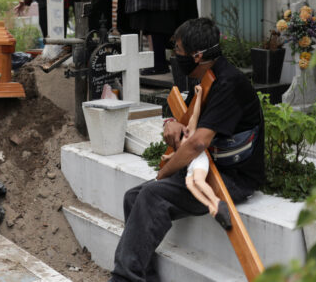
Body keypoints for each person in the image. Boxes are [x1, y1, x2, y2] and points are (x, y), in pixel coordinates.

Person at [109, 18, 265, 282]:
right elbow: (190, 122)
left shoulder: (229, 84)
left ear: (198, 55)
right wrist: (172, 124)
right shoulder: (208, 79)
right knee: (133, 197)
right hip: (207, 170)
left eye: (179, 51)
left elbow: (197, 142)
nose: (175, 56)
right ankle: (145, 278)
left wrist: (165, 171)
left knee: (151, 195)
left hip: (233, 179)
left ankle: (124, 279)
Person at [160, 83, 231, 229]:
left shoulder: (190, 134)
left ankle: (216, 202)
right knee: (190, 184)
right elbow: (175, 155)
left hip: (199, 159)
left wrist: (198, 95)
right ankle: (211, 207)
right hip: (190, 166)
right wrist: (167, 158)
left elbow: (195, 114)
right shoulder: (180, 147)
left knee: (198, 181)